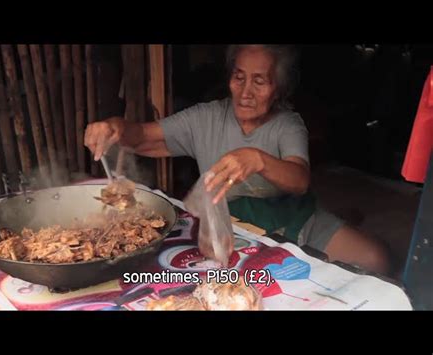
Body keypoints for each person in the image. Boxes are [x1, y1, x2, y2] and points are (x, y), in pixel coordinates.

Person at [84, 44, 391, 276]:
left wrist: (258, 160)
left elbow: (299, 180)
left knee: (379, 259)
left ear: (278, 88)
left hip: (294, 218)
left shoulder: (288, 124)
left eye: (260, 81)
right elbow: (142, 136)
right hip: (234, 226)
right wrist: (114, 127)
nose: (246, 92)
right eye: (239, 77)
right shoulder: (206, 118)